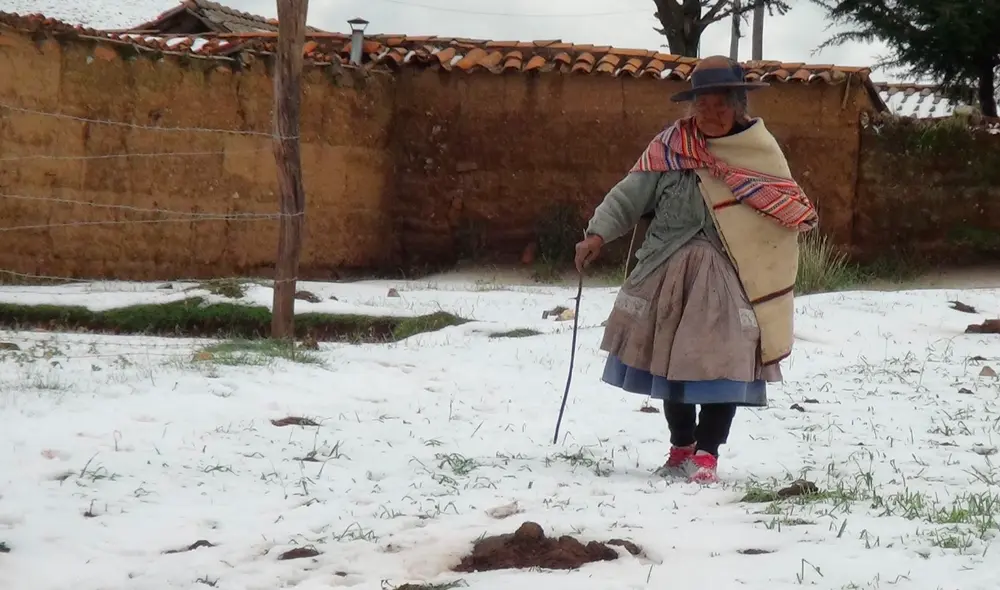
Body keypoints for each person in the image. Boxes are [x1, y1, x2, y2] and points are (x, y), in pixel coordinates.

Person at [575, 55, 818, 484]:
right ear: (691, 107)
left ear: (739, 105)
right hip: (668, 271)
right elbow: (629, 195)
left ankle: (708, 454)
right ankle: (681, 446)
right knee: (672, 363)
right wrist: (597, 234)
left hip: (733, 275)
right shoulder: (671, 147)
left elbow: (783, 207)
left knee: (725, 363)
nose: (711, 113)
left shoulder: (758, 153)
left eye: (720, 104)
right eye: (702, 105)